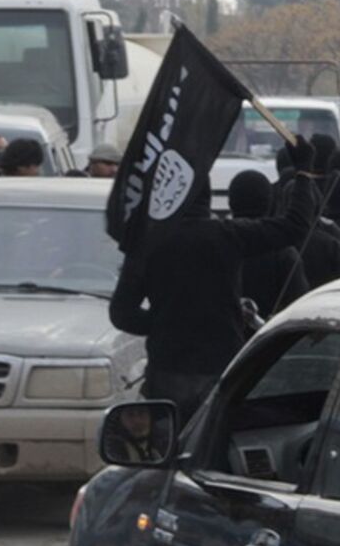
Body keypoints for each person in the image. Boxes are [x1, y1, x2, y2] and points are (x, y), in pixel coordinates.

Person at [109, 136, 317, 425]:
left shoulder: (146, 245)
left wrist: (168, 322)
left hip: (168, 366)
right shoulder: (227, 236)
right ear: (206, 196)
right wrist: (304, 173)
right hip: (222, 363)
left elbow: (122, 313)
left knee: (168, 448)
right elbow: (295, 227)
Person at [228, 170, 311, 318]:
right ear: (269, 202)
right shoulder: (284, 253)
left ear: (230, 202)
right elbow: (301, 308)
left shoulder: (214, 246)